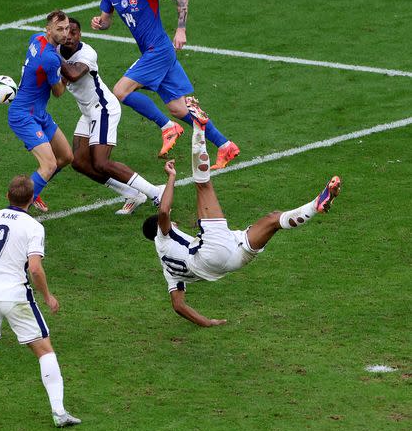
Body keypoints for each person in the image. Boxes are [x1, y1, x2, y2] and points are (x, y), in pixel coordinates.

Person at [142, 104, 341, 326]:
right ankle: (198, 127)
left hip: (230, 262)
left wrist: (207, 322)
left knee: (274, 220)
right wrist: (171, 177)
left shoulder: (168, 270)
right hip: (210, 253)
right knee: (203, 186)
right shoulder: (163, 236)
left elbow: (178, 305)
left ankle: (317, 204)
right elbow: (163, 210)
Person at [0, 175, 81, 428]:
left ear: (7, 196)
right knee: (44, 350)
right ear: (31, 199)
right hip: (16, 296)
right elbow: (35, 269)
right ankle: (59, 412)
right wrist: (48, 296)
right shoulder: (33, 227)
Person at [91, 0, 240, 169]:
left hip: (158, 50)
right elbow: (106, 21)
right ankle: (225, 145)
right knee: (179, 109)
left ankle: (167, 127)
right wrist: (99, 24)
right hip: (154, 53)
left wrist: (181, 30)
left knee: (121, 91)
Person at [59, 17, 164, 215]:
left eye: (74, 32)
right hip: (88, 111)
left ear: (80, 34)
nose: (70, 36)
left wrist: (51, 56)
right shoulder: (56, 51)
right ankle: (132, 194)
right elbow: (58, 88)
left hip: (104, 108)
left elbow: (73, 74)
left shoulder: (87, 53)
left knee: (101, 162)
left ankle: (155, 192)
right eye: (66, 32)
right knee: (79, 162)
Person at [8, 10, 74, 213]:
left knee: (66, 157)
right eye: (59, 29)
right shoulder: (50, 59)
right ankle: (16, 212)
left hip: (38, 113)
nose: (65, 34)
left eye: (67, 29)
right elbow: (58, 93)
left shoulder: (35, 38)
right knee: (49, 164)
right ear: (49, 29)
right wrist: (69, 75)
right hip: (23, 115)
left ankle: (32, 193)